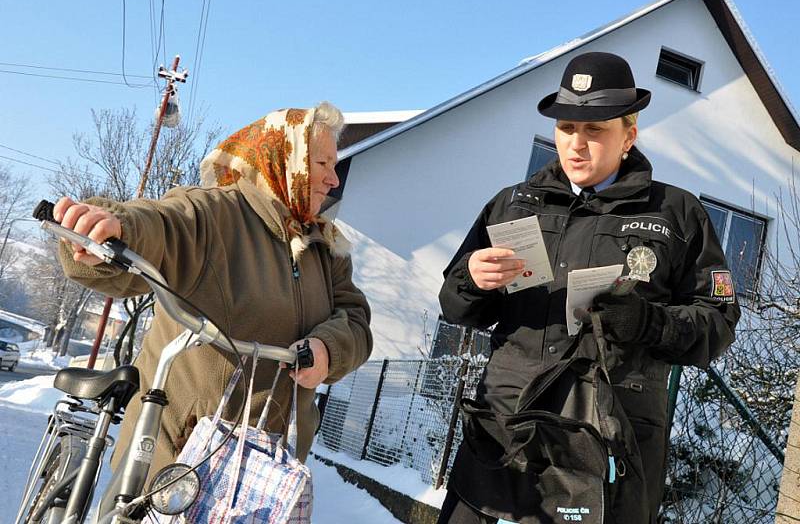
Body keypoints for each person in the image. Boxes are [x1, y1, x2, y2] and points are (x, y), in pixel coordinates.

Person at [438, 52, 740, 523]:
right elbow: (454, 306)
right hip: (503, 431)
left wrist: (648, 322)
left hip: (607, 440)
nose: (576, 144)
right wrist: (473, 279)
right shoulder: (512, 206)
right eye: (566, 128)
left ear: (629, 135)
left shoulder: (677, 215)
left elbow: (718, 322)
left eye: (594, 130)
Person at [54, 101, 372, 485]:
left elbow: (356, 320)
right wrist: (114, 226)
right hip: (179, 459)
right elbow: (162, 226)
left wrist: (329, 349)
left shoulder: (324, 246)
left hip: (265, 474)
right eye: (322, 164)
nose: (334, 179)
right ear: (282, 158)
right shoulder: (215, 214)